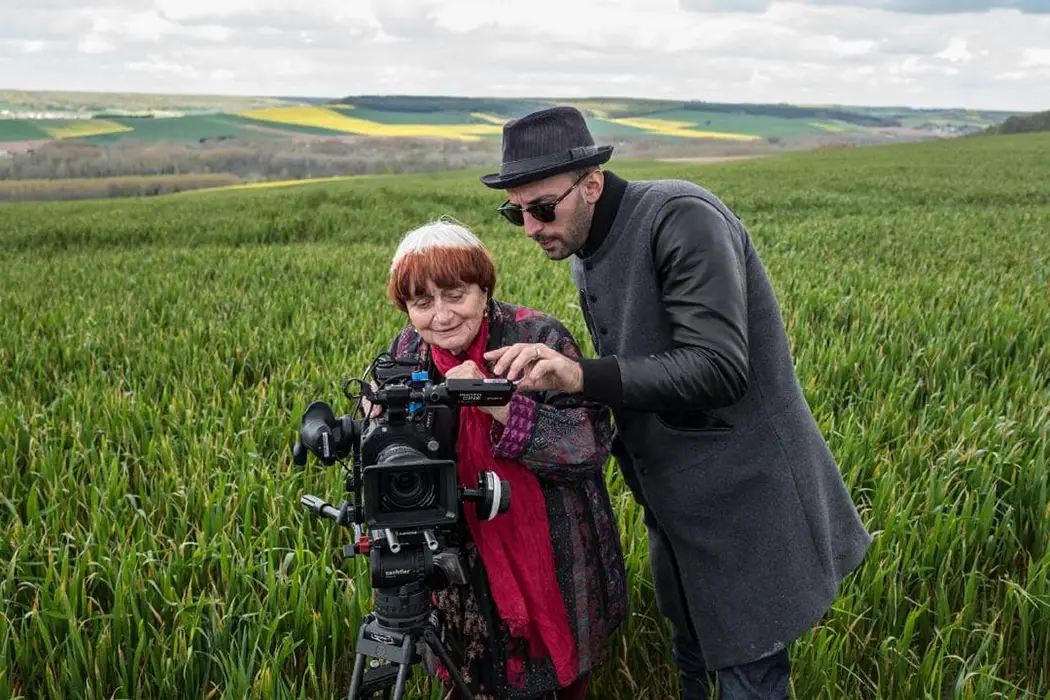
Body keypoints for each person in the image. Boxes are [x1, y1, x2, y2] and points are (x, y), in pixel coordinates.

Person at [477, 106, 874, 700]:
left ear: (591, 184)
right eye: (516, 213)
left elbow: (719, 368)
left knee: (748, 680)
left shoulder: (680, 217)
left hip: (745, 507)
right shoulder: (588, 241)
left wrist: (580, 376)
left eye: (542, 208)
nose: (530, 228)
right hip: (679, 513)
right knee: (693, 662)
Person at [375, 217, 629, 700]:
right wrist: (383, 422)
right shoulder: (406, 351)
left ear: (484, 289)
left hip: (552, 553)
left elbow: (588, 444)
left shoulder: (538, 337)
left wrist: (497, 402)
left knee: (557, 681)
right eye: (422, 303)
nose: (441, 316)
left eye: (456, 295)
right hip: (457, 556)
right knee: (469, 674)